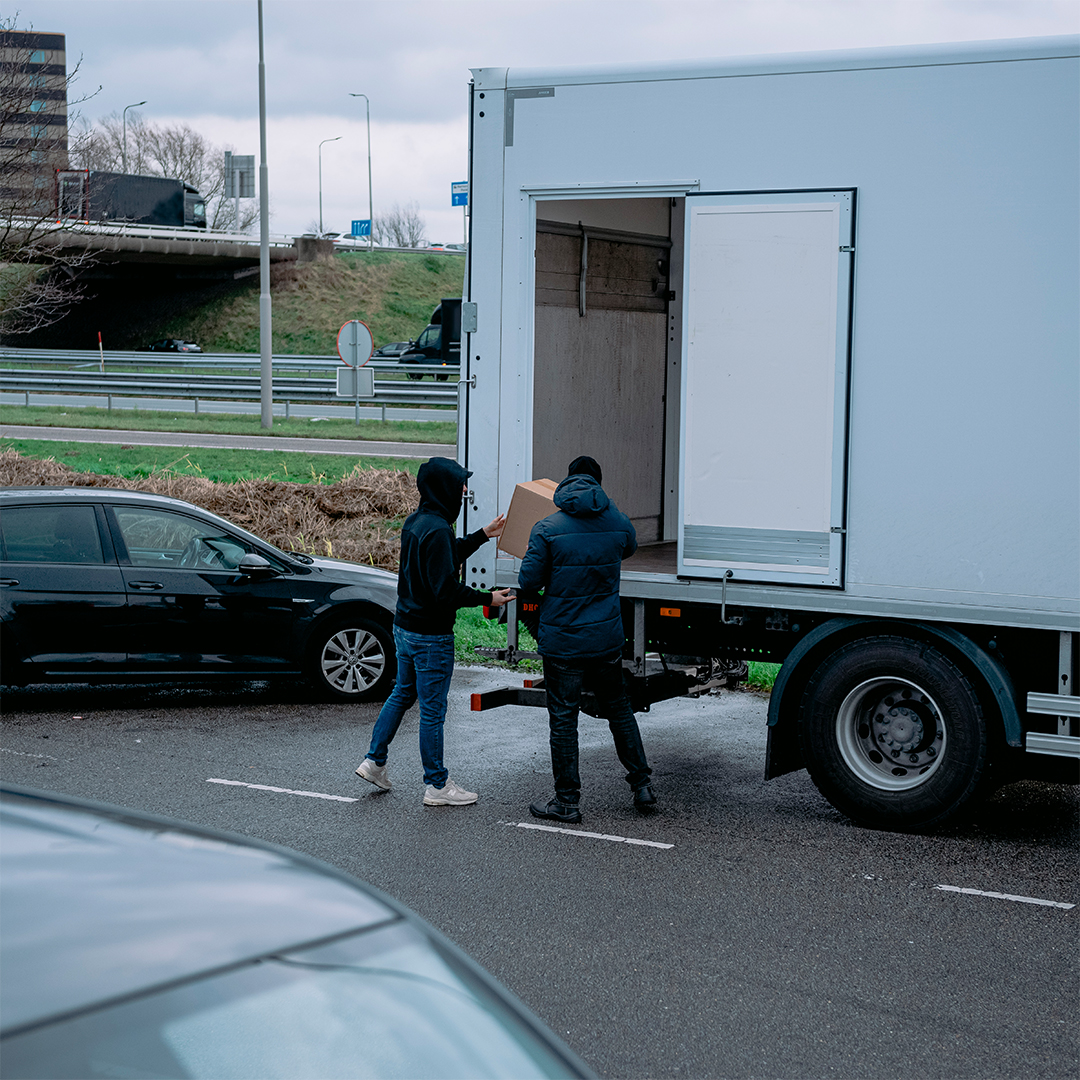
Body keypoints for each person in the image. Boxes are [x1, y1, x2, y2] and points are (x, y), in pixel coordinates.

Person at [355, 457, 511, 806]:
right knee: (432, 711)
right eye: (460, 484)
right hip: (430, 636)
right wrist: (489, 598)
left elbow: (443, 556)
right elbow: (446, 591)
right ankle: (437, 785)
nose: (465, 490)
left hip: (405, 628)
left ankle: (374, 761)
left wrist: (483, 535)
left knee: (401, 694)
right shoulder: (438, 528)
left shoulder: (418, 522)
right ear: (444, 488)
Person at [519, 455, 655, 824]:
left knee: (564, 718)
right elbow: (629, 548)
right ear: (598, 484)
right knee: (619, 709)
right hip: (606, 639)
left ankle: (567, 802)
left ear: (567, 483)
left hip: (563, 641)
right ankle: (641, 785)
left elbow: (528, 582)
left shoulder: (546, 528)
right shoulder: (618, 523)